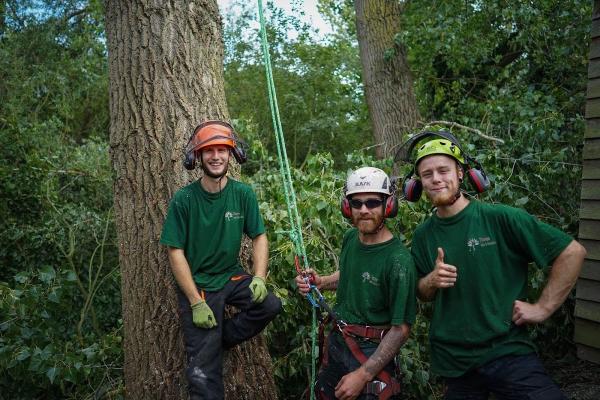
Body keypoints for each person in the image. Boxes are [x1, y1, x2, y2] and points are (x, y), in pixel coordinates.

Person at [403, 132, 586, 400]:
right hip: (454, 363)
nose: (436, 179)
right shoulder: (423, 235)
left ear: (463, 174)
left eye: (444, 170)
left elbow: (572, 252)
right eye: (427, 174)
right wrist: (431, 280)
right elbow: (422, 292)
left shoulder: (501, 219)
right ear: (417, 184)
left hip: (508, 353)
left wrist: (543, 307)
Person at [160, 120, 282, 400]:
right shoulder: (184, 199)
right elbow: (174, 252)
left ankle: (218, 338)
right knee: (204, 378)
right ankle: (209, 345)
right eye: (209, 151)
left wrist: (260, 276)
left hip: (231, 276)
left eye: (222, 150)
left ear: (232, 155)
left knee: (270, 305)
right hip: (199, 284)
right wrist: (195, 301)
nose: (216, 156)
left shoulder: (242, 194)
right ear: (198, 157)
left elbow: (260, 236)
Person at [296, 167, 417, 400]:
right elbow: (350, 273)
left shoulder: (398, 261)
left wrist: (363, 375)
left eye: (372, 203)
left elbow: (400, 329)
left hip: (372, 352)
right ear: (347, 207)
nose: (363, 210)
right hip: (339, 343)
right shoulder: (351, 238)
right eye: (356, 203)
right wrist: (320, 282)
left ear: (388, 205)